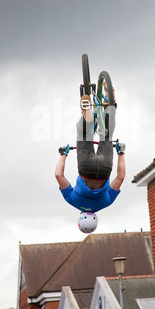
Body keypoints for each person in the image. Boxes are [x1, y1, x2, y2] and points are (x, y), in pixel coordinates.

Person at [55, 95, 125, 231]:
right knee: (83, 134)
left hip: (104, 169)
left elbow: (120, 177)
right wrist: (63, 154)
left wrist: (121, 152)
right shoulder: (73, 200)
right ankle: (87, 119)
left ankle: (111, 108)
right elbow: (59, 175)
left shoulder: (106, 202)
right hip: (85, 168)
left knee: (107, 135)